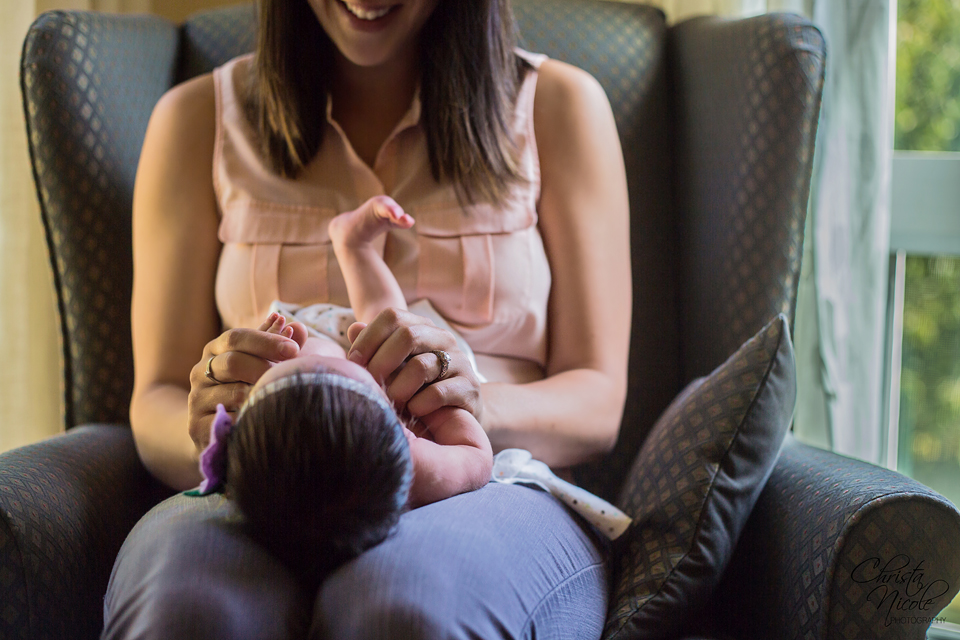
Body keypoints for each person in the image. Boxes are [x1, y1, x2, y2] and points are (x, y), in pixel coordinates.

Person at [103, 0, 631, 636]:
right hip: (259, 479)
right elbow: (156, 397)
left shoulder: (558, 106)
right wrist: (221, 433)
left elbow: (598, 400)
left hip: (493, 484)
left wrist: (457, 412)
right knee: (187, 607)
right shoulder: (195, 120)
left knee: (403, 607)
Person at [199, 201, 493, 584]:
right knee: (389, 335)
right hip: (398, 395)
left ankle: (349, 251)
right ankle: (355, 248)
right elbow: (476, 455)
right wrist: (430, 403)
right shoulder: (416, 462)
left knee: (366, 338)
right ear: (396, 423)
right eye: (365, 376)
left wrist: (265, 354)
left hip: (316, 375)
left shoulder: (259, 455)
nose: (310, 347)